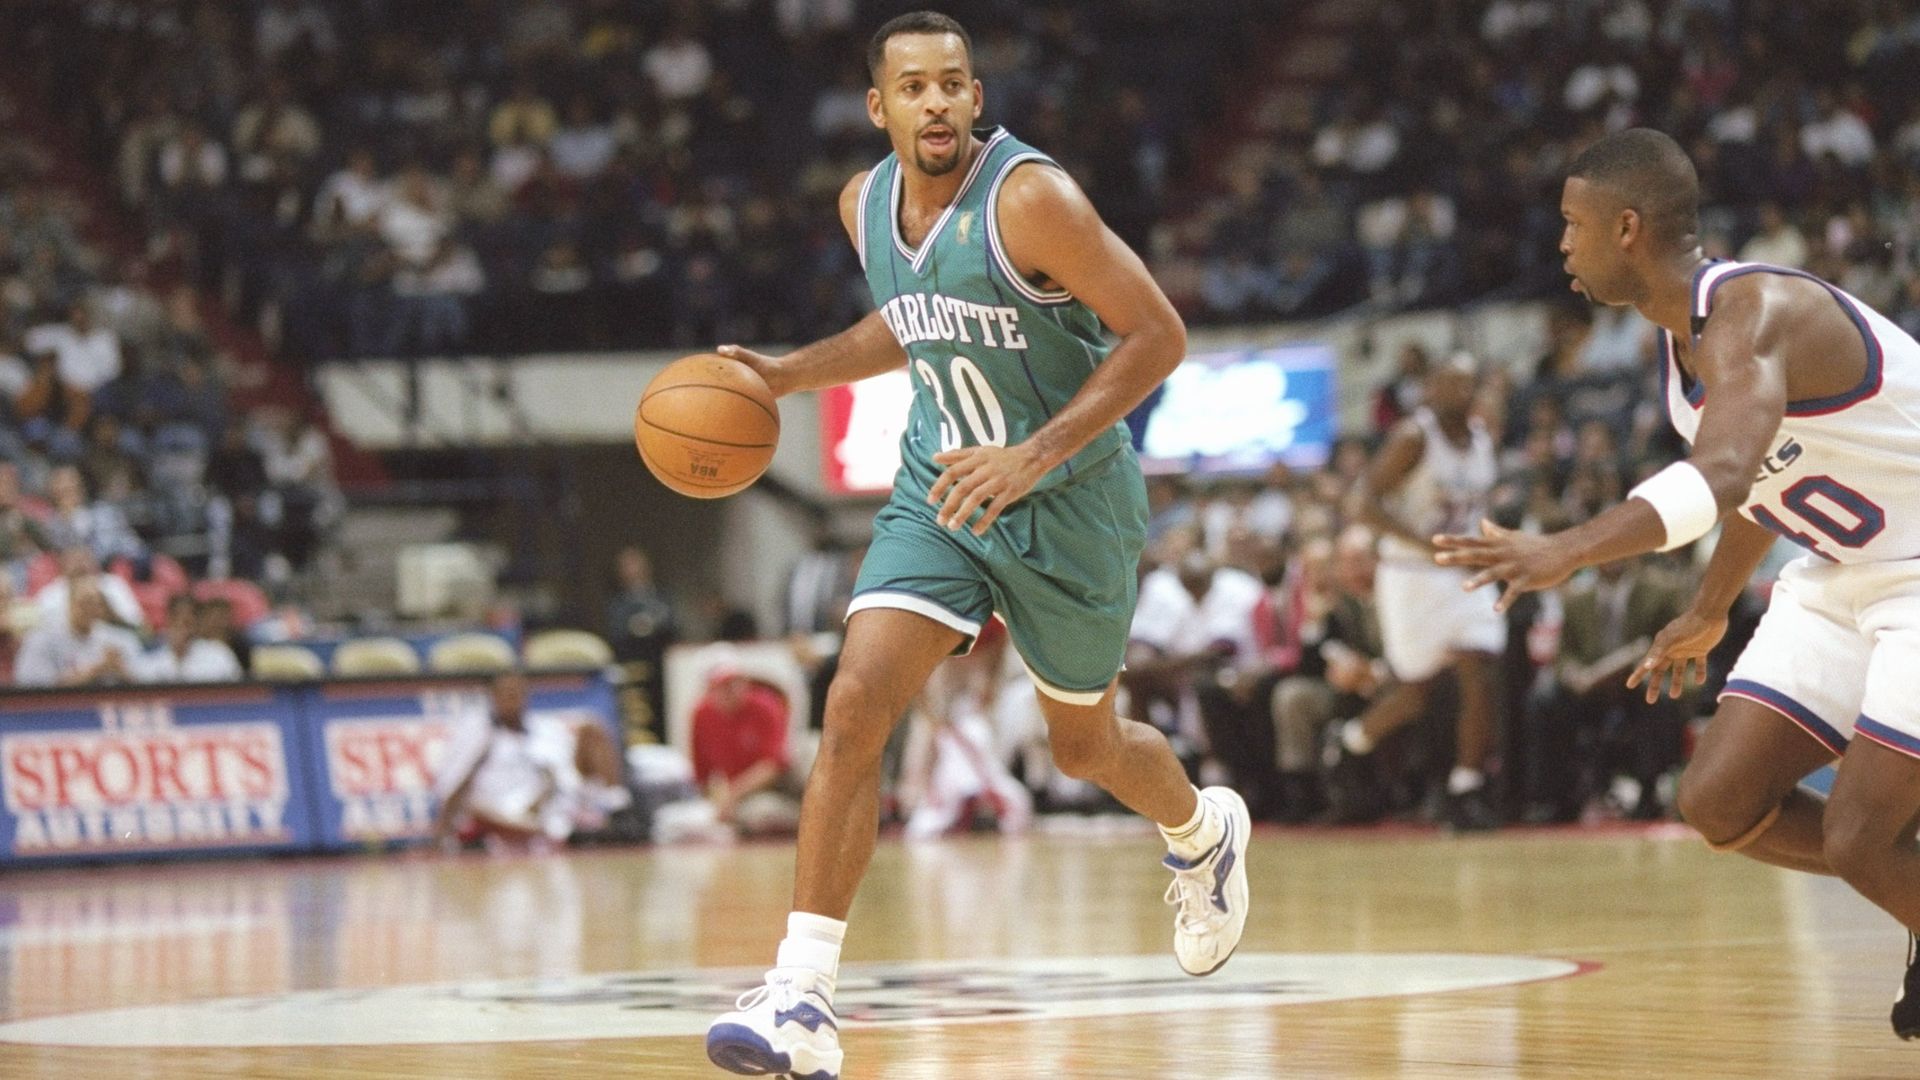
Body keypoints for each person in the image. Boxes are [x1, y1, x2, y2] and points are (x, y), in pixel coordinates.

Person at [704, 14, 1249, 1078]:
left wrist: (1034, 458)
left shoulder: (1030, 201)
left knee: (1083, 750)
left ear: (976, 96)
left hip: (1070, 499)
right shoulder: (864, 203)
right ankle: (803, 996)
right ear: (881, 108)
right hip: (942, 489)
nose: (939, 103)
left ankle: (1199, 831)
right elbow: (909, 322)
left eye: (954, 84)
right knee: (856, 700)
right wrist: (786, 374)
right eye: (915, 88)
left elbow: (1159, 336)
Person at [1434, 127, 1920, 1040]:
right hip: (1840, 572)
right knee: (1719, 802)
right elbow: (1762, 486)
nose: (1560, 248)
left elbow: (1727, 474)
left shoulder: (1754, 312)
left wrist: (1567, 548)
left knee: (1861, 840)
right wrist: (1706, 609)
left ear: (1627, 228)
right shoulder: (1679, 343)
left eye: (1572, 226)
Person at [1327, 352, 1506, 830]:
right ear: (1432, 389)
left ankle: (1466, 786)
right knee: (1414, 693)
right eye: (1453, 383)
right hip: (1411, 573)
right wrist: (1425, 543)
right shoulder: (1412, 436)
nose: (1463, 392)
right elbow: (1361, 502)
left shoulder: (1484, 440)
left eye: (1470, 383)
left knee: (1481, 667)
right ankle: (1350, 742)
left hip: (1463, 575)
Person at [14, 576, 143, 687]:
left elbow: (146, 686)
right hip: (59, 713)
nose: (90, 609)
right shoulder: (42, 639)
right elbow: (33, 688)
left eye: (96, 604)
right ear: (70, 603)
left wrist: (120, 669)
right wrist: (96, 670)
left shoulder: (119, 639)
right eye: (84, 603)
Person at [138, 595, 243, 683]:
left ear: (196, 623)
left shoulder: (219, 653)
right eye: (177, 621)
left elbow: (238, 694)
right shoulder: (151, 657)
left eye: (188, 622)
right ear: (168, 621)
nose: (183, 630)